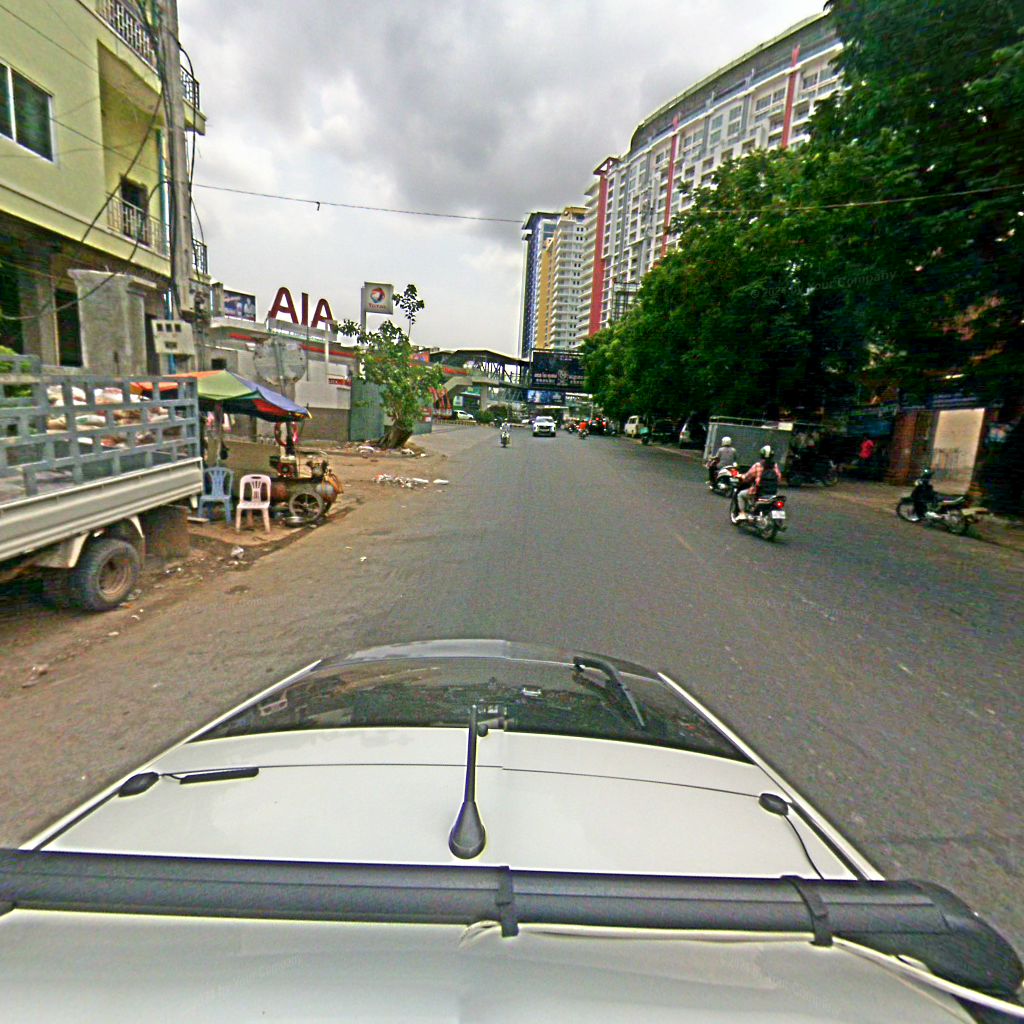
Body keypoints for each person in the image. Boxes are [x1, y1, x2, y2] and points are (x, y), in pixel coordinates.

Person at [733, 444, 782, 519]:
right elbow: (779, 478)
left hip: (758, 492)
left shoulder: (758, 465)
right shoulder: (775, 466)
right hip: (772, 493)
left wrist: (740, 476)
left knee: (740, 495)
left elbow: (747, 477)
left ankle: (742, 514)